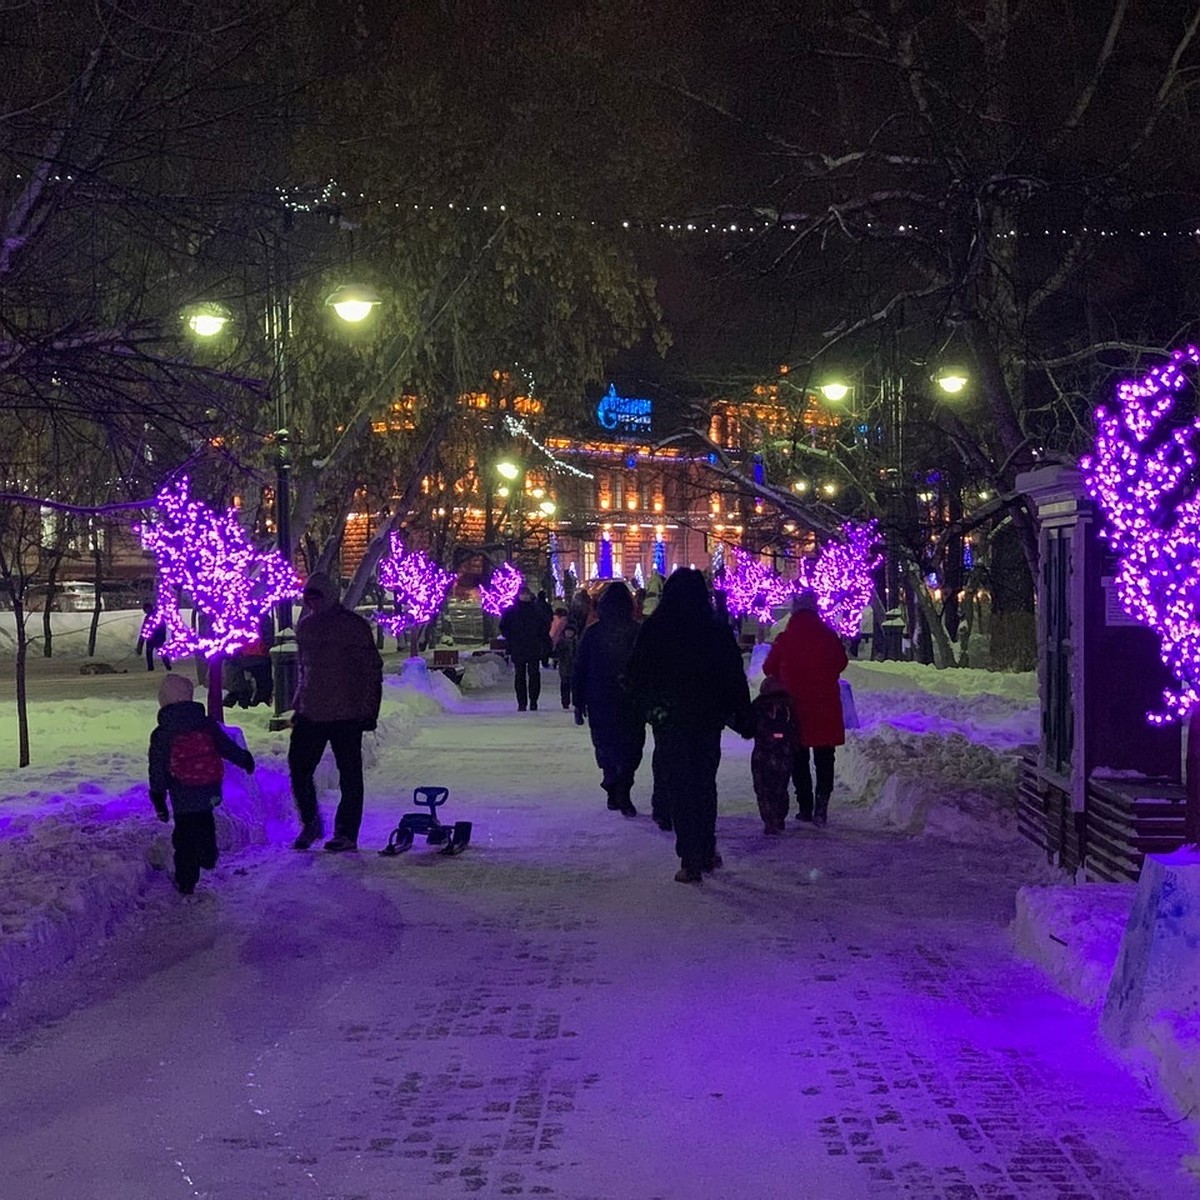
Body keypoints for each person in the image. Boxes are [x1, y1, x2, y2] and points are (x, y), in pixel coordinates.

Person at [627, 568, 752, 883]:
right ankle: (706, 848)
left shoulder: (656, 628)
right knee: (704, 784)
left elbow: (637, 675)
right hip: (707, 718)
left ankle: (690, 857)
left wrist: (650, 709)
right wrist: (741, 713)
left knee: (680, 787)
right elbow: (732, 676)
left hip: (671, 719)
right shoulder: (714, 629)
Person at [288, 572, 383, 852]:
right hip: (312, 713)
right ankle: (311, 823)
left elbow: (370, 669)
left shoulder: (352, 626)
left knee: (350, 774)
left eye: (318, 597)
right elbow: (304, 670)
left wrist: (368, 709)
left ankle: (345, 832)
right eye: (310, 598)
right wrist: (299, 703)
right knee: (299, 768)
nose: (314, 604)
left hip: (347, 712)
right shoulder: (305, 627)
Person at [148, 673, 255, 895]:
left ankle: (186, 880)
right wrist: (244, 758)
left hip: (182, 793)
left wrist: (158, 797)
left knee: (184, 836)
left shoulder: (163, 733)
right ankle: (208, 853)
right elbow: (225, 746)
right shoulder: (205, 724)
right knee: (205, 821)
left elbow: (157, 767)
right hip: (209, 788)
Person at [763, 589, 848, 827]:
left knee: (798, 757)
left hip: (794, 708)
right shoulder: (829, 636)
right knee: (824, 756)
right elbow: (841, 662)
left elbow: (768, 668)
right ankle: (822, 805)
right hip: (825, 705)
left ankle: (805, 806)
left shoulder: (785, 638)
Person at [573, 582, 644, 817]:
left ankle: (612, 781)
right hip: (631, 699)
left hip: (600, 698)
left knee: (605, 745)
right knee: (631, 746)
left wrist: (578, 700)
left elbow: (580, 667)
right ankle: (623, 783)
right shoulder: (637, 632)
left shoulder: (594, 632)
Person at [750, 676, 802, 835]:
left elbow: (750, 726)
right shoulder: (788, 707)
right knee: (780, 787)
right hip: (783, 753)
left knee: (763, 788)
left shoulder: (758, 706)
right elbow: (795, 729)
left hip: (762, 752)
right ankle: (779, 818)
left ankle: (769, 819)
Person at [499, 585, 551, 711]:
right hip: (519, 646)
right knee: (520, 675)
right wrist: (511, 637)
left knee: (534, 675)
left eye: (526, 594)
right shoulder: (512, 612)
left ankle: (533, 701)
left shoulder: (536, 610)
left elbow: (545, 626)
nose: (525, 597)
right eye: (523, 594)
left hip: (533, 646)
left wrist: (542, 640)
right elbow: (504, 627)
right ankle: (522, 702)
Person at [553, 612, 580, 710]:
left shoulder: (577, 643)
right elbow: (556, 653)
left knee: (574, 685)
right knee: (565, 685)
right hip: (564, 667)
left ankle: (575, 700)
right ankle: (565, 701)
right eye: (567, 632)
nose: (569, 633)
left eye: (571, 632)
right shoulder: (561, 642)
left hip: (574, 667)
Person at [136, 602, 170, 672]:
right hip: (152, 638)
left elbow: (162, 627)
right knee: (150, 653)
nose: (144, 611)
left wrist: (162, 637)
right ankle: (151, 667)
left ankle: (167, 666)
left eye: (145, 609)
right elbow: (144, 629)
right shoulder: (150, 617)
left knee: (159, 652)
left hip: (156, 638)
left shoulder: (156, 616)